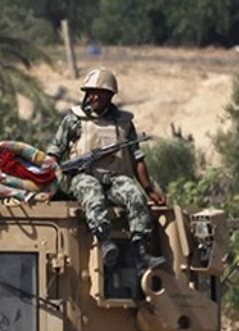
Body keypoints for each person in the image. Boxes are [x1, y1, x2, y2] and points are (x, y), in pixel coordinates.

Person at [46, 67, 167, 273]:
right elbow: (53, 155)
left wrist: (149, 190)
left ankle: (141, 254)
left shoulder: (124, 123)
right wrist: (49, 184)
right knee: (91, 192)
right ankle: (104, 243)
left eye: (99, 93)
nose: (93, 97)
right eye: (90, 92)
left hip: (115, 178)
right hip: (83, 176)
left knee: (134, 196)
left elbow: (137, 158)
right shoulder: (74, 120)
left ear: (109, 95)